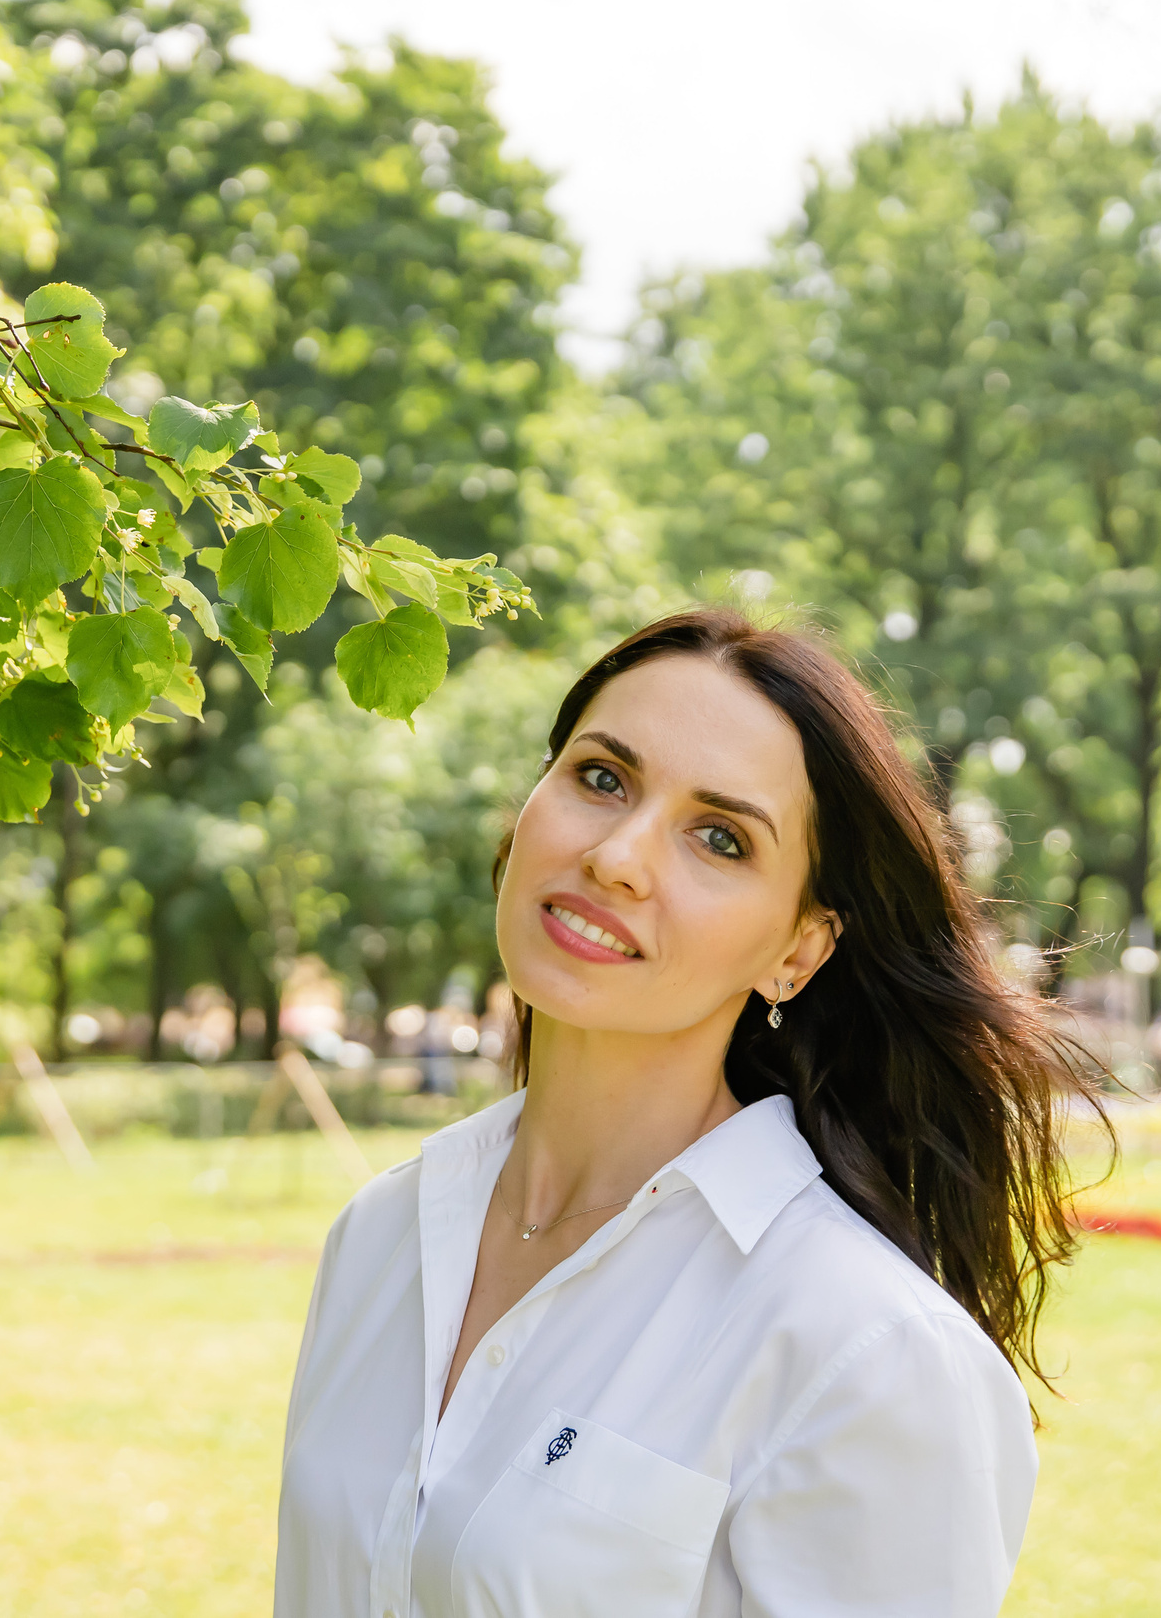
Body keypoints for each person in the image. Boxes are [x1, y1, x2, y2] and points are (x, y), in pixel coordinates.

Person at [274, 612, 1105, 1618]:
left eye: (719, 838)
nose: (618, 855)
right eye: (600, 778)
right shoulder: (380, 1238)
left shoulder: (865, 1349)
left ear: (797, 948)